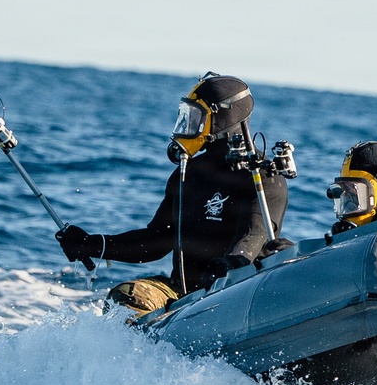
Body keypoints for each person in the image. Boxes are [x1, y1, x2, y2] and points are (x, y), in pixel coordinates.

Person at [56, 72, 290, 314]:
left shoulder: (263, 176)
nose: (187, 126)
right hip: (182, 293)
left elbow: (252, 238)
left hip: (240, 293)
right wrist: (92, 245)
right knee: (127, 295)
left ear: (223, 117)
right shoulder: (188, 175)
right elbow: (156, 241)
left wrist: (227, 266)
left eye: (196, 116)